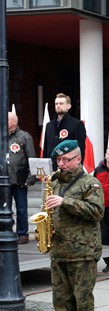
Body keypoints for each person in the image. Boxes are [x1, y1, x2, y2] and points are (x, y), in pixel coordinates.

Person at [47, 140, 104, 311]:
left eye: (66, 160)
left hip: (83, 251)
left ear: (78, 159)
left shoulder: (91, 183)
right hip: (59, 250)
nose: (61, 164)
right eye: (59, 160)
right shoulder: (54, 182)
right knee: (62, 299)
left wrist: (65, 202)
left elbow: (97, 211)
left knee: (82, 299)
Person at [7, 111, 36, 244]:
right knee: (4, 208)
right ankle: (5, 232)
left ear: (13, 121)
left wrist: (31, 178)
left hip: (19, 178)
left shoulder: (24, 137)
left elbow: (31, 158)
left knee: (21, 208)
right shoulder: (2, 136)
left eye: (6, 120)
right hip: (4, 179)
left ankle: (22, 234)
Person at [43, 93, 86, 162]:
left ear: (68, 106)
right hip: (51, 167)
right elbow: (46, 149)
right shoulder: (49, 125)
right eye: (56, 104)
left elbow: (80, 149)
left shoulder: (77, 124)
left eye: (61, 103)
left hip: (68, 167)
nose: (58, 106)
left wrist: (77, 168)